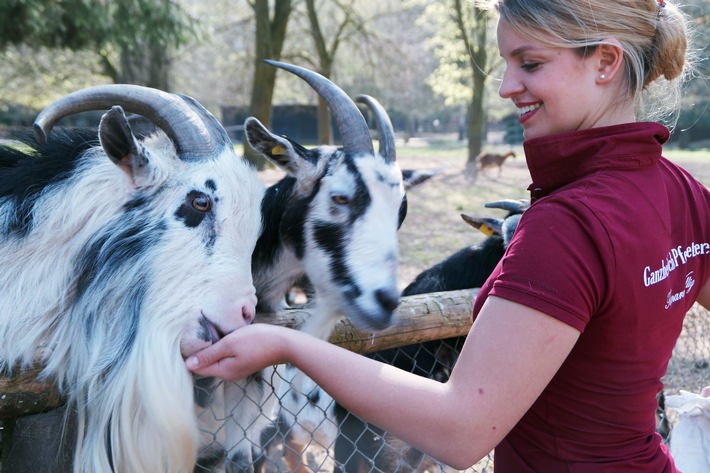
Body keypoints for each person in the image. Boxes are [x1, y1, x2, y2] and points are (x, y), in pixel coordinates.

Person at [186, 0, 710, 470]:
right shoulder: (685, 192)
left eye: (530, 63)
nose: (506, 86)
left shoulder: (567, 225)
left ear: (606, 61)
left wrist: (288, 344)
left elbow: (460, 432)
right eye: (506, 64)